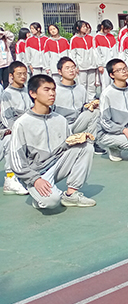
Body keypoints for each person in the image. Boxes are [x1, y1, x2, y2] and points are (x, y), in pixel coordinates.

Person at [8, 73, 96, 209]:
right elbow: (16, 162)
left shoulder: (60, 119)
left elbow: (65, 148)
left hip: (56, 165)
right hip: (36, 174)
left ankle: (71, 194)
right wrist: (35, 179)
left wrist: (77, 140)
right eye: (46, 90)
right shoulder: (22, 123)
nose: (52, 93)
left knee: (87, 146)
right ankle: (39, 195)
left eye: (53, 89)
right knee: (52, 202)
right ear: (33, 93)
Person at [1, 61, 31, 194]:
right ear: (11, 76)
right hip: (14, 132)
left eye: (24, 73)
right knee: (11, 139)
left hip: (30, 129)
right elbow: (7, 119)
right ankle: (10, 178)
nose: (23, 76)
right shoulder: (7, 94)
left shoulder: (29, 91)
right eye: (19, 74)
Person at [53, 57, 100, 139]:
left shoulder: (81, 88)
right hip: (61, 125)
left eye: (73, 67)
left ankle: (92, 141)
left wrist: (91, 106)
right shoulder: (55, 90)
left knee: (95, 112)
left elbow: (84, 108)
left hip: (77, 124)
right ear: (60, 72)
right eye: (67, 68)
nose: (71, 70)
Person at [69, 21, 97, 100]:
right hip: (81, 66)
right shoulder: (74, 39)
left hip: (92, 65)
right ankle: (83, 99)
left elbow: (95, 51)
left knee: (91, 84)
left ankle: (91, 99)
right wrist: (75, 66)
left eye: (86, 27)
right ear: (78, 28)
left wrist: (96, 63)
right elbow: (73, 54)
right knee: (82, 84)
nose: (85, 28)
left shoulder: (91, 38)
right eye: (83, 26)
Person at [94, 20, 117, 92]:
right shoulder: (96, 37)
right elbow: (96, 52)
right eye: (107, 29)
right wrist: (99, 65)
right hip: (104, 65)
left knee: (114, 83)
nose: (108, 31)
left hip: (113, 64)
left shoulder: (111, 36)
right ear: (102, 27)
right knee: (105, 85)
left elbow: (115, 50)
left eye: (109, 29)